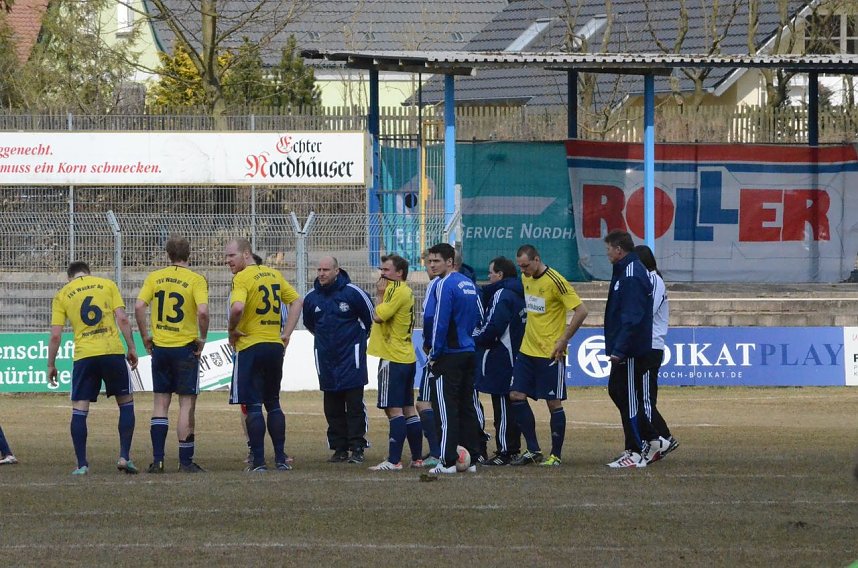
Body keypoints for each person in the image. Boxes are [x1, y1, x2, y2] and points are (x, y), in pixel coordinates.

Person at [47, 261, 139, 475]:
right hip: (112, 351)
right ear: (88, 273)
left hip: (85, 355)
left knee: (80, 408)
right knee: (125, 402)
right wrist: (132, 347)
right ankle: (124, 457)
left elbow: (55, 335)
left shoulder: (63, 294)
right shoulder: (107, 285)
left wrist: (51, 364)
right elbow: (123, 319)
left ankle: (81, 465)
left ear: (70, 277)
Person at [225, 238, 302, 472]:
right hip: (273, 346)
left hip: (250, 346)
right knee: (274, 404)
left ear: (246, 254)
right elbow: (297, 301)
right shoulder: (273, 274)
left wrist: (231, 331)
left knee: (254, 405)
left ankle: (258, 461)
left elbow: (237, 308)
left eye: (231, 256)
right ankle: (280, 458)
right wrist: (286, 334)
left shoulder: (242, 278)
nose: (227, 260)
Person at [135, 235, 210, 474]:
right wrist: (203, 337)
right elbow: (203, 312)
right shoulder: (196, 280)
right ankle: (185, 462)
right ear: (190, 254)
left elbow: (138, 307)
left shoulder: (154, 277)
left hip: (161, 348)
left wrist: (145, 335)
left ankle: (157, 461)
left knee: (160, 403)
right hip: (184, 347)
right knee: (186, 403)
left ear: (168, 254)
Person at [510, 244, 588, 467]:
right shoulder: (526, 278)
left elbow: (581, 311)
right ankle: (533, 449)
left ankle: (555, 455)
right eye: (520, 267)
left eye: (526, 266)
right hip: (527, 350)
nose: (523, 271)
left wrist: (563, 340)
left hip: (550, 353)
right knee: (516, 395)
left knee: (553, 402)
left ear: (537, 259)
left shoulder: (556, 281)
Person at [302, 256, 374, 464]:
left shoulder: (353, 293)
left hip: (351, 357)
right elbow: (310, 324)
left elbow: (369, 319)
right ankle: (339, 448)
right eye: (319, 269)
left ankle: (358, 446)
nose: (321, 273)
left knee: (354, 405)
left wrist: (357, 341)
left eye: (326, 269)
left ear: (337, 271)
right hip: (326, 358)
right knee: (331, 406)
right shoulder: (311, 298)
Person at [423, 243, 482, 474]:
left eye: (437, 261)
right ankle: (472, 459)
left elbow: (438, 320)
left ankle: (447, 461)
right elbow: (479, 318)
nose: (432, 265)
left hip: (449, 354)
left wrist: (434, 352)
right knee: (467, 406)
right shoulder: (468, 284)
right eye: (430, 261)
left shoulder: (443, 284)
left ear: (450, 262)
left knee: (446, 409)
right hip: (468, 352)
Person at [603, 230, 658, 468]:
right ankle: (652, 440)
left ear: (618, 249)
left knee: (628, 396)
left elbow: (632, 317)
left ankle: (637, 451)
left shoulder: (632, 274)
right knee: (617, 391)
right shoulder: (625, 271)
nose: (607, 254)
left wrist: (620, 349)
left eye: (608, 249)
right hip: (627, 348)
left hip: (631, 350)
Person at [367, 254, 423, 471]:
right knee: (408, 408)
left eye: (387, 270)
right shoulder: (401, 291)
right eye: (381, 269)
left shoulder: (397, 291)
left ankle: (393, 460)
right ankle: (417, 458)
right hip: (405, 356)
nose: (382, 274)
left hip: (393, 357)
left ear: (399, 273)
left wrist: (379, 296)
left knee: (394, 410)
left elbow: (379, 316)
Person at [474, 256, 525, 466]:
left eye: (490, 273)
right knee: (510, 406)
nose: (488, 277)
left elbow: (493, 326)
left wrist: (475, 336)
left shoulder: (502, 294)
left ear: (500, 275)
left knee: (503, 406)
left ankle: (506, 451)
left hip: (503, 357)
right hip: (516, 355)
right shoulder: (519, 293)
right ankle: (511, 448)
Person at [634, 244, 679, 463]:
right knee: (645, 397)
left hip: (650, 345)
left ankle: (656, 442)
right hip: (650, 345)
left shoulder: (653, 281)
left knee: (645, 399)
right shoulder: (653, 280)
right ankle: (664, 437)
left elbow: (645, 312)